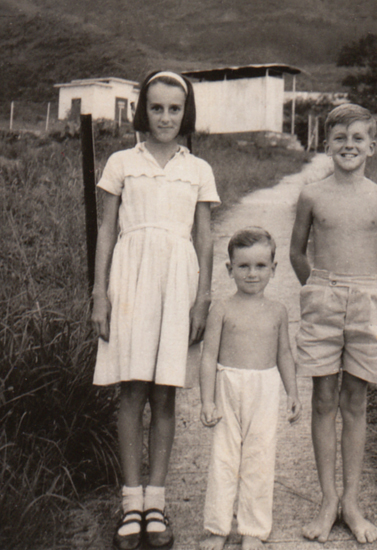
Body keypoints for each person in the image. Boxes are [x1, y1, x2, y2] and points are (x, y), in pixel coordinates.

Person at [91, 70, 220, 550]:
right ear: (141, 111)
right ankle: (131, 504)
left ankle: (156, 503)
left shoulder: (198, 168)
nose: (165, 117)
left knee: (165, 393)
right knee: (131, 390)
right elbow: (107, 229)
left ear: (186, 114)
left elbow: (204, 237)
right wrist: (99, 293)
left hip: (177, 282)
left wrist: (203, 296)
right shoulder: (122, 161)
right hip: (129, 279)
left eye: (175, 108)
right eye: (157, 107)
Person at [289, 104, 377, 544]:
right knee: (322, 399)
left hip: (366, 298)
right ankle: (327, 498)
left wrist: (363, 293)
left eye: (358, 138)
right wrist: (317, 291)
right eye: (340, 138)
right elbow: (297, 252)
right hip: (323, 299)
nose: (349, 145)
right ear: (327, 144)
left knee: (356, 401)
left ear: (373, 145)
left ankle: (352, 501)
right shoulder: (312, 195)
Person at [199, 227, 302, 550]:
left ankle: (253, 529)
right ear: (229, 270)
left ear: (274, 269)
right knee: (225, 458)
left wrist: (293, 393)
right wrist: (207, 400)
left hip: (265, 387)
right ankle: (217, 526)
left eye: (260, 266)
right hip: (229, 385)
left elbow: (284, 354)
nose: (252, 274)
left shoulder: (277, 311)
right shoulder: (223, 310)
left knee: (259, 456)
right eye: (243, 266)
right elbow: (209, 357)